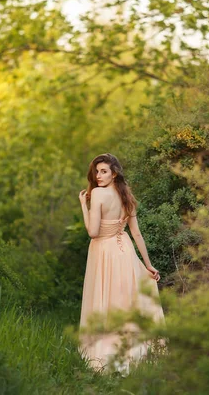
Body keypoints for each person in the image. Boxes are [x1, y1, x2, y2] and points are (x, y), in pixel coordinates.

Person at [77, 153, 166, 374]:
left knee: (106, 299)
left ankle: (108, 351)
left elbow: (93, 232)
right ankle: (134, 349)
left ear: (114, 173)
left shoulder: (97, 194)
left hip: (104, 251)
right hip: (125, 251)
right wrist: (148, 264)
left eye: (104, 171)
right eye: (97, 171)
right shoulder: (127, 196)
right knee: (124, 301)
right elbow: (136, 234)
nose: (98, 176)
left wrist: (83, 205)